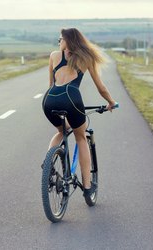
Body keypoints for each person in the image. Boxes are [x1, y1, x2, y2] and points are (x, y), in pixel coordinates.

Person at [42, 28, 117, 198]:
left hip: (49, 100)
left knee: (61, 131)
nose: (59, 42)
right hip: (72, 99)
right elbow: (101, 88)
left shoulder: (54, 55)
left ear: (68, 40)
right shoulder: (86, 57)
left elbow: (50, 85)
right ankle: (87, 186)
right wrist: (111, 102)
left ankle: (49, 166)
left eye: (60, 39)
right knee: (81, 137)